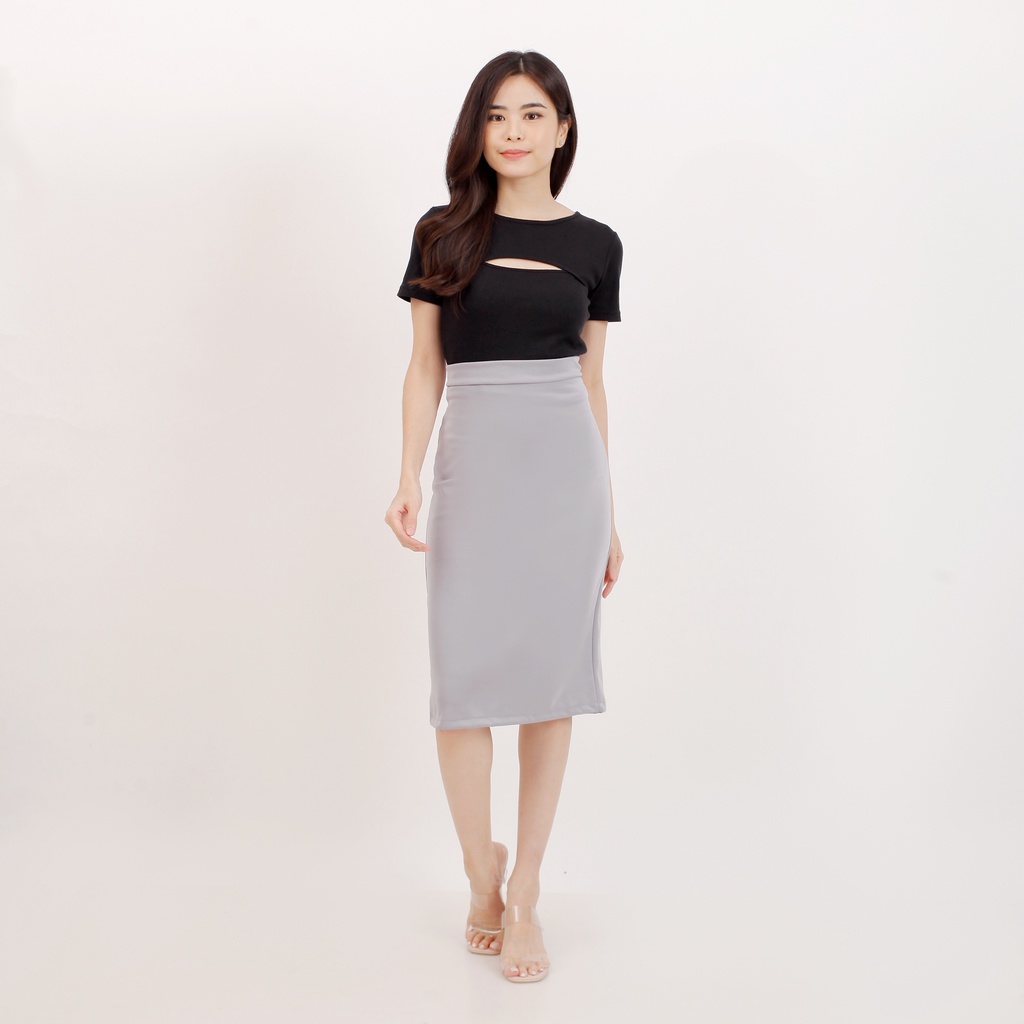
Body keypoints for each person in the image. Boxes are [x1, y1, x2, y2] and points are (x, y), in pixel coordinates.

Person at [384, 49, 624, 984]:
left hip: (566, 473)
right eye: (495, 116)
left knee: (550, 685)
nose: (513, 132)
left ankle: (524, 890)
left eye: (531, 115)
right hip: (475, 464)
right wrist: (407, 471)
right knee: (465, 683)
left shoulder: (597, 244)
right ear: (476, 131)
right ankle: (476, 869)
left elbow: (592, 380)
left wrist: (610, 514)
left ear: (563, 129)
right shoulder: (442, 232)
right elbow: (425, 366)